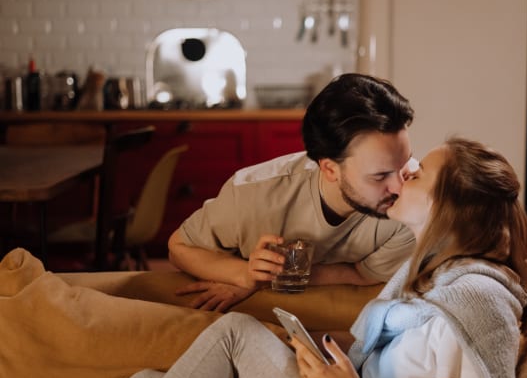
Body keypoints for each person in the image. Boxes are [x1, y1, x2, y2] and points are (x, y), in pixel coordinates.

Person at [50, 137, 527, 378]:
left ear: (448, 206)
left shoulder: (476, 303)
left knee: (236, 334)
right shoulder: (430, 280)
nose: (402, 175)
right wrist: (297, 341)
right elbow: (380, 341)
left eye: (417, 174)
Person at [168, 73, 417, 312]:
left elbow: (365, 274)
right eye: (380, 176)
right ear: (330, 169)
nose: (400, 187)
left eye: (405, 163)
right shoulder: (253, 195)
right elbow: (179, 247)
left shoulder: (415, 206)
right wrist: (243, 275)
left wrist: (271, 278)